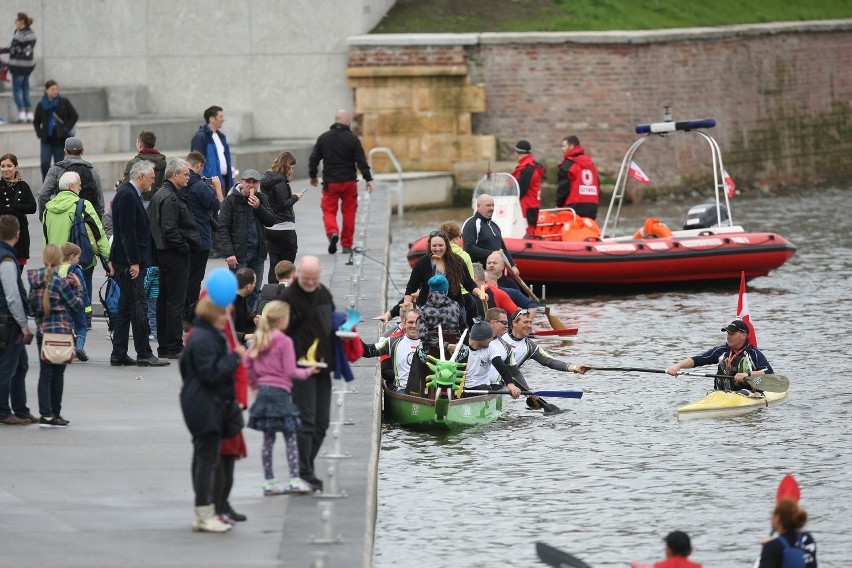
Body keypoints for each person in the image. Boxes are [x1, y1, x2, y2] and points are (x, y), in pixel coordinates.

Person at [179, 296, 244, 533]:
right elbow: (211, 374)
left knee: (203, 457)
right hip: (204, 405)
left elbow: (187, 368)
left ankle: (204, 512)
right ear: (210, 314)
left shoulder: (201, 335)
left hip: (201, 402)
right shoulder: (204, 338)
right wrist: (234, 357)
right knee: (207, 460)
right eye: (221, 314)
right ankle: (204, 512)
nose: (225, 319)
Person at [244, 300, 318, 496]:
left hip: (263, 391)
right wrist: (309, 371)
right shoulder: (284, 341)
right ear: (282, 320)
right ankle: (294, 479)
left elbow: (246, 363)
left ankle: (269, 481)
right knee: (290, 436)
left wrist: (254, 385)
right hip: (281, 393)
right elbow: (290, 371)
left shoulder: (260, 338)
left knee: (268, 439)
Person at [276, 255, 335, 493]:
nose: (310, 282)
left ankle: (305, 468)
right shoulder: (288, 298)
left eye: (314, 278)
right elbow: (280, 335)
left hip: (323, 366)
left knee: (322, 422)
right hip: (300, 368)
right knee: (306, 421)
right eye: (306, 278)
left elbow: (332, 325)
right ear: (298, 274)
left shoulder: (323, 293)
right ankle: (303, 472)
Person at [109, 162, 169, 367]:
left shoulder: (127, 193)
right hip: (128, 262)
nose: (153, 180)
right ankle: (144, 353)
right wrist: (133, 262)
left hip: (123, 260)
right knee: (139, 306)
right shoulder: (127, 195)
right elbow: (126, 232)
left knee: (126, 307)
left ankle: (118, 353)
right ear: (142, 176)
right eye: (151, 177)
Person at [42, 170, 111, 328]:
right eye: (79, 185)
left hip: (56, 261)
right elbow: (98, 233)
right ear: (72, 186)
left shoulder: (48, 209)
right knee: (83, 289)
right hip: (78, 259)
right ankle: (84, 321)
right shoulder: (83, 205)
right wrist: (108, 258)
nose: (81, 188)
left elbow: (46, 238)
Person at [148, 158, 200, 360]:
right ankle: (173, 346)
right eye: (186, 174)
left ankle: (166, 345)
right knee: (175, 301)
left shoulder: (162, 194)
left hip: (166, 254)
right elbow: (170, 230)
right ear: (174, 174)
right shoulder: (169, 197)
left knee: (166, 300)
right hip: (174, 255)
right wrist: (185, 247)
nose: (189, 177)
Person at [28, 244, 84, 428]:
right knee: (58, 374)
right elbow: (76, 305)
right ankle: (56, 412)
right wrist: (79, 287)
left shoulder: (35, 281)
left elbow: (30, 309)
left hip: (43, 331)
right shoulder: (60, 283)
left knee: (45, 373)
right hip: (61, 332)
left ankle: (45, 415)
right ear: (60, 259)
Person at [308, 109, 374, 255]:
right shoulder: (353, 139)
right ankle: (346, 245)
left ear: (336, 120)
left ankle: (332, 233)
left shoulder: (324, 138)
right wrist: (368, 178)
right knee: (349, 213)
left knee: (328, 211)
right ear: (347, 121)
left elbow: (314, 159)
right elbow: (361, 161)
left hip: (331, 183)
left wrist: (313, 175)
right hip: (349, 183)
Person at [217, 169, 276, 308]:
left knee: (255, 291)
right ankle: (237, 323)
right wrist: (229, 253)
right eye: (248, 182)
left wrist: (258, 207)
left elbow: (271, 221)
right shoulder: (230, 201)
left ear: (258, 184)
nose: (251, 185)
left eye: (254, 182)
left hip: (258, 253)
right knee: (238, 291)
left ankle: (251, 321)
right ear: (242, 182)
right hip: (238, 255)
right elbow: (223, 228)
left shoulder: (262, 199)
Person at [666, 319, 773, 392]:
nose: (728, 337)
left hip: (749, 394)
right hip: (722, 393)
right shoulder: (721, 351)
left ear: (744, 335)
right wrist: (677, 366)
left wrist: (747, 374)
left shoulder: (753, 353)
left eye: (732, 334)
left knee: (744, 392)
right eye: (727, 333)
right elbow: (698, 360)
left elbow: (769, 371)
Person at [0, 215, 36, 425]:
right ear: (17, 234)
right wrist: (24, 326)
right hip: (9, 321)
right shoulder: (6, 260)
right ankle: (4, 412)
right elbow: (13, 297)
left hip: (6, 318)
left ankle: (21, 410)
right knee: (7, 367)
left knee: (20, 365)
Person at [184, 151, 223, 326]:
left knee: (184, 278)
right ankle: (190, 316)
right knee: (195, 280)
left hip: (183, 239)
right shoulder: (201, 187)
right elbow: (219, 207)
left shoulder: (179, 184)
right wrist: (217, 188)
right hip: (200, 239)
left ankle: (183, 315)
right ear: (199, 166)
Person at [404, 229, 478, 315]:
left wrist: (479, 293)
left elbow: (468, 283)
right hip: (428, 310)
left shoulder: (457, 261)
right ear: (429, 246)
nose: (437, 249)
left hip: (454, 310)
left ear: (446, 245)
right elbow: (411, 288)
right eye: (434, 246)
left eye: (440, 245)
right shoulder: (422, 263)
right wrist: (406, 309)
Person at [38, 136, 105, 220]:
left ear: (65, 151)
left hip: (62, 218)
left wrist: (45, 218)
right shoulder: (92, 170)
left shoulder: (56, 169)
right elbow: (99, 202)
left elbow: (43, 195)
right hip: (87, 219)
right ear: (82, 151)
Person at [261, 152, 301, 282]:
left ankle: (272, 293)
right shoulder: (281, 182)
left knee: (274, 265)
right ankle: (285, 293)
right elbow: (284, 204)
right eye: (292, 168)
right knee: (287, 266)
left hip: (270, 228)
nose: (292, 171)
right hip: (285, 228)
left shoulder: (266, 180)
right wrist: (295, 197)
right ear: (286, 166)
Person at [361, 307, 421, 392]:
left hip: (423, 392)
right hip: (402, 391)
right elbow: (367, 352)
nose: (414, 326)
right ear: (404, 323)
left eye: (417, 323)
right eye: (410, 322)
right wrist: (353, 336)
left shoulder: (429, 343)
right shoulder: (392, 341)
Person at [459, 320, 521, 399]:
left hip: (482, 388)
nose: (492, 340)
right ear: (480, 338)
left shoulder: (491, 348)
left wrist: (510, 385)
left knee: (484, 388)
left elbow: (501, 366)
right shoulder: (461, 348)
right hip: (461, 388)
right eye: (489, 337)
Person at [32, 80, 78, 180]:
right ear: (46, 90)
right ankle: (46, 185)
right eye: (52, 89)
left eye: (57, 89)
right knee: (44, 163)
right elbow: (36, 122)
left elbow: (74, 116)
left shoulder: (64, 102)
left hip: (60, 139)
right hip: (46, 140)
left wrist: (66, 128)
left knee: (59, 165)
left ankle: (58, 187)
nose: (55, 91)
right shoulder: (41, 105)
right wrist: (40, 133)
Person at [462, 193, 519, 273]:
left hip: (495, 273)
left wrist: (512, 265)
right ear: (479, 206)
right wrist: (491, 253)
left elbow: (503, 248)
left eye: (493, 205)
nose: (491, 208)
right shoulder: (471, 223)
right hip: (479, 273)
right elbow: (469, 247)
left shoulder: (495, 224)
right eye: (488, 205)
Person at [0, 153, 37, 268]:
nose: (5, 169)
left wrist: (13, 206)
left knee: (18, 273)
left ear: (16, 167)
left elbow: (32, 207)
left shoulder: (23, 186)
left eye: (9, 166)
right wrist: (20, 213)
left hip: (21, 235)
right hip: (3, 234)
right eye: (2, 166)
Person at [758, 499, 817, 568]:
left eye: (772, 513)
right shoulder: (807, 539)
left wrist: (766, 550)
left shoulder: (772, 547)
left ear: (777, 518)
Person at [1, 13, 36, 123]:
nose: (15, 24)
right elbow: (26, 50)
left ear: (21, 23)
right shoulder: (32, 34)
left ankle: (21, 114)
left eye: (16, 22)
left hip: (18, 65)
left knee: (17, 90)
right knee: (25, 89)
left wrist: (1, 50)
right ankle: (29, 113)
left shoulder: (19, 34)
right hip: (28, 65)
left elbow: (13, 49)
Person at [57, 243, 89, 362]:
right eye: (78, 257)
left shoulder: (59, 270)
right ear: (72, 257)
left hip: (63, 304)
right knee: (81, 326)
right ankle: (79, 348)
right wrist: (86, 301)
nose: (78, 260)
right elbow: (83, 287)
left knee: (67, 327)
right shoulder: (76, 270)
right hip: (77, 302)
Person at [556, 135, 601, 219]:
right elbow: (598, 186)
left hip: (574, 206)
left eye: (564, 146)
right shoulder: (591, 165)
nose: (562, 149)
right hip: (592, 206)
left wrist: (559, 205)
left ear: (571, 147)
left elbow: (563, 188)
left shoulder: (568, 164)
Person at [190, 105, 234, 190]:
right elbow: (195, 163)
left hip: (223, 180)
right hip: (209, 184)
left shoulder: (221, 137)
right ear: (212, 119)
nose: (223, 119)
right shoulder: (200, 137)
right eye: (220, 116)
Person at [119, 130, 167, 198]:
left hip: (139, 201)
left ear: (140, 145)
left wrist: (118, 187)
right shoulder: (162, 161)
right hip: (157, 202)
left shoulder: (133, 163)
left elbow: (126, 186)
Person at [511, 140, 544, 237]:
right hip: (528, 208)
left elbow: (519, 190)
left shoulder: (528, 169)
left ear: (516, 153)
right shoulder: (527, 167)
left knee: (527, 234)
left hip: (526, 210)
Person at [630, 530, 703, 568]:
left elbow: (634, 564)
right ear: (690, 551)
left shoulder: (659, 566)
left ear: (668, 550)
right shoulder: (697, 566)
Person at [232, 268, 257, 344]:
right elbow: (223, 331)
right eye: (254, 283)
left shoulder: (241, 296)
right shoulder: (229, 303)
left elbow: (246, 315)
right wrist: (245, 336)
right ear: (249, 286)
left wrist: (254, 318)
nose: (255, 286)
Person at [143, 265, 159, 341]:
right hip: (160, 295)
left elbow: (147, 282)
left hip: (152, 295)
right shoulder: (160, 268)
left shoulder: (152, 268)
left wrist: (144, 293)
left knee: (152, 315)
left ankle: (154, 333)